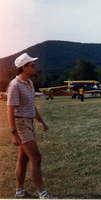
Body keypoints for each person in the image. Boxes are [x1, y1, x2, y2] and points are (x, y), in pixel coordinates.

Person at [6, 53, 52, 199]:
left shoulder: (29, 83)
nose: (34, 67)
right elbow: (10, 110)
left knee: (24, 158)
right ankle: (42, 194)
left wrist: (41, 121)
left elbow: (31, 105)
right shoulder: (15, 85)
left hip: (29, 122)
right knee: (36, 157)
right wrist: (14, 133)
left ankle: (19, 192)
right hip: (20, 124)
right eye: (32, 65)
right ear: (23, 67)